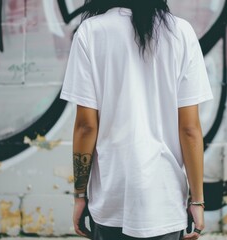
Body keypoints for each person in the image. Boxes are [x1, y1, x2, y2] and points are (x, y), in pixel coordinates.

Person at [59, 0, 213, 239]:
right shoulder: (181, 32)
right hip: (165, 200)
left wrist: (80, 195)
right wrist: (198, 201)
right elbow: (190, 129)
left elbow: (86, 126)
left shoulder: (90, 32)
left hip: (111, 199)